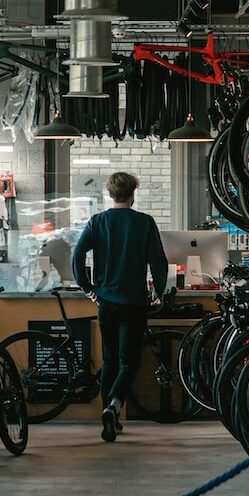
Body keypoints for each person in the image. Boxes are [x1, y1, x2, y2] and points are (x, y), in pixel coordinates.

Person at [72, 172, 168, 442]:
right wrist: (158, 290)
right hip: (135, 303)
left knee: (110, 360)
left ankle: (108, 414)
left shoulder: (97, 222)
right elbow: (157, 261)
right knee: (130, 361)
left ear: (110, 193)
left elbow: (77, 254)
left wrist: (87, 287)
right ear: (133, 193)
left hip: (106, 303)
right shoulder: (144, 223)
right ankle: (113, 407)